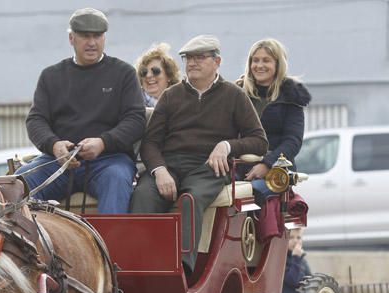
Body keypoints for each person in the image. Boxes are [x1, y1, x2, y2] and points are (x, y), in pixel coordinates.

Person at [130, 34, 268, 273]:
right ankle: (138, 265)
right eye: (188, 58)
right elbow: (150, 143)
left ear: (217, 62)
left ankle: (182, 270)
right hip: (169, 165)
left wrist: (227, 146)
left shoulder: (234, 96)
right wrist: (159, 170)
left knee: (190, 200)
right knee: (143, 194)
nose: (192, 63)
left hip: (208, 169)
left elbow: (259, 142)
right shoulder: (171, 96)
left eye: (199, 57)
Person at [18, 7, 146, 214]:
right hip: (57, 162)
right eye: (85, 36)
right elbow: (36, 120)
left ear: (104, 38)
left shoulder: (123, 73)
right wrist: (54, 145)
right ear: (71, 39)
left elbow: (135, 119)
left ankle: (110, 246)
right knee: (19, 184)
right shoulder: (51, 76)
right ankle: (26, 245)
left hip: (108, 161)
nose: (92, 42)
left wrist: (104, 142)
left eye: (97, 36)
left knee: (117, 179)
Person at [237, 38, 311, 200]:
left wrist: (267, 164)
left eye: (266, 60)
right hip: (238, 168)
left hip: (277, 171)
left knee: (254, 192)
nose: (259, 65)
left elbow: (293, 141)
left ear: (278, 65)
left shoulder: (291, 97)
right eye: (255, 60)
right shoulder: (237, 94)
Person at [134, 43, 181, 107]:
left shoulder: (182, 103)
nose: (148, 75)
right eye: (144, 72)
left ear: (169, 75)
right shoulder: (132, 103)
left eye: (155, 71)